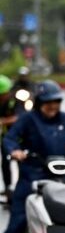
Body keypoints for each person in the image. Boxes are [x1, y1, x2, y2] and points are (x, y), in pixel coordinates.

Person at [0, 81, 65, 233]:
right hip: (32, 177)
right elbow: (10, 139)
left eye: (55, 101)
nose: (52, 106)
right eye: (47, 102)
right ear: (39, 102)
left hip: (62, 180)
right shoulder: (28, 119)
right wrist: (15, 151)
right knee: (17, 223)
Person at [0, 74, 18, 205]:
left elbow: (20, 117)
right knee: (5, 163)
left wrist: (4, 121)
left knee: (22, 162)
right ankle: (8, 190)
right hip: (5, 138)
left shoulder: (16, 100)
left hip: (20, 138)